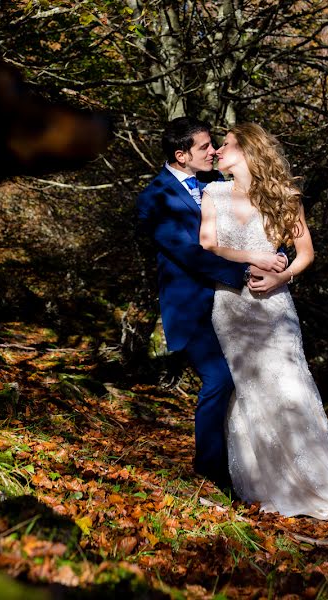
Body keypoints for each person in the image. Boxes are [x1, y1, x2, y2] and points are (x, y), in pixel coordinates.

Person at [199, 122, 328, 519]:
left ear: (248, 151)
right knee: (248, 390)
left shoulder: (284, 197)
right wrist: (254, 258)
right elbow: (208, 244)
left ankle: (317, 481)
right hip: (231, 304)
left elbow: (305, 252)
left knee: (291, 387)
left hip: (274, 307)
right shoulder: (213, 192)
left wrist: (281, 274)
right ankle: (263, 485)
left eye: (225, 145)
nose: (218, 152)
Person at [136, 117, 285, 488]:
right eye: (204, 147)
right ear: (181, 155)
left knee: (256, 379)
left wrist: (276, 258)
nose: (213, 150)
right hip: (194, 310)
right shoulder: (154, 199)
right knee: (218, 377)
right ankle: (210, 469)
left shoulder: (217, 185)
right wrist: (248, 268)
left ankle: (258, 469)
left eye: (214, 144)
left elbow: (250, 220)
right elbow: (190, 254)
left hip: (239, 305)